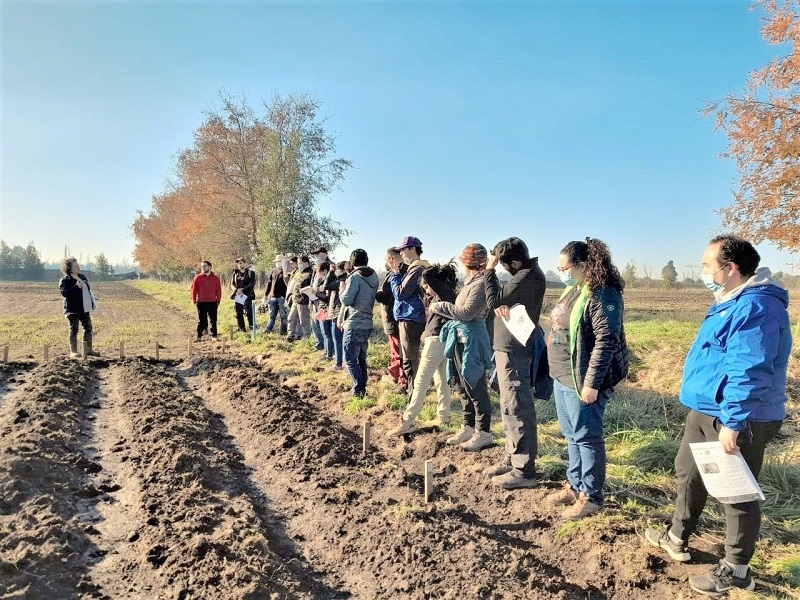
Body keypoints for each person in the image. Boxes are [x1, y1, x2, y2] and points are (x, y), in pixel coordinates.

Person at [645, 235, 791, 597]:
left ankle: (736, 569)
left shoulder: (757, 306)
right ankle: (677, 535)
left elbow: (750, 367)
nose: (704, 271)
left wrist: (734, 421)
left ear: (731, 269)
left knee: (735, 493)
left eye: (709, 265)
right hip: (706, 408)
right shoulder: (730, 301)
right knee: (688, 473)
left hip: (738, 416)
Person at [546, 238, 627, 519]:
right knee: (571, 435)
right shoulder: (574, 289)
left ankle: (591, 496)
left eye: (564, 266)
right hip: (562, 375)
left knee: (587, 436)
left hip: (582, 379)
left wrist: (591, 383)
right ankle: (574, 483)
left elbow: (606, 341)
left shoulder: (603, 294)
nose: (561, 271)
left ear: (582, 265)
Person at [483, 237, 547, 489]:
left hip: (516, 350)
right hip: (506, 348)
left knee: (517, 406)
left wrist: (489, 270)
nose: (501, 268)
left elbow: (493, 301)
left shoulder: (528, 275)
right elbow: (498, 301)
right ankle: (512, 458)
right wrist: (501, 300)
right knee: (508, 405)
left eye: (502, 264)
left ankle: (524, 469)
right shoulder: (523, 275)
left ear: (515, 262)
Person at [430, 243, 494, 452]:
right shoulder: (471, 282)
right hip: (460, 338)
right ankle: (468, 426)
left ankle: (483, 432)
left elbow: (466, 312)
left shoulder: (481, 284)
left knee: (475, 385)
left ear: (468, 263)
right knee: (461, 385)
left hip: (472, 341)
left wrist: (439, 306)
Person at [389, 263, 459, 436]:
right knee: (441, 379)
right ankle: (444, 416)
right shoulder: (444, 295)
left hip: (436, 340)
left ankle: (409, 419)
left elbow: (428, 274)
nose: (426, 290)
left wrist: (420, 265)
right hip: (441, 340)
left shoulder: (444, 293)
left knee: (420, 380)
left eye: (427, 286)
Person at [390, 236, 430, 396]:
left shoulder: (416, 270)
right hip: (411, 316)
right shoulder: (415, 268)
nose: (402, 253)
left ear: (412, 249)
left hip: (411, 317)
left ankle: (413, 392)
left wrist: (395, 275)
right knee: (408, 356)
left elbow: (400, 294)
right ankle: (411, 389)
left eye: (403, 250)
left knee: (410, 358)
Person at [338, 249, 379, 398]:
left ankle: (357, 389)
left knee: (349, 358)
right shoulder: (374, 277)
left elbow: (347, 300)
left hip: (354, 322)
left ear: (352, 261)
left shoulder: (354, 277)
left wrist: (341, 290)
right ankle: (362, 387)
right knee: (361, 358)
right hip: (367, 322)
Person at [375, 247, 409, 392]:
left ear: (391, 259)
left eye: (385, 259)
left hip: (394, 318)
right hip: (394, 318)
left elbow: (390, 297)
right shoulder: (400, 272)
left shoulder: (398, 273)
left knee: (399, 351)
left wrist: (374, 293)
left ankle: (402, 380)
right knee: (396, 350)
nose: (385, 262)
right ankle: (394, 374)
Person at [59, 257, 98, 358]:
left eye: (78, 265)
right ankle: (73, 351)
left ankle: (88, 350)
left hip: (85, 308)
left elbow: (88, 291)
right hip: (72, 309)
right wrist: (76, 287)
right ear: (69, 268)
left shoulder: (82, 276)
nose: (78, 267)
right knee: (74, 329)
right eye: (75, 266)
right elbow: (64, 293)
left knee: (88, 328)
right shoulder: (65, 280)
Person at [323, 261, 348, 371]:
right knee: (340, 339)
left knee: (337, 339)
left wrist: (331, 272)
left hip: (337, 313)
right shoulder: (343, 279)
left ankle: (339, 363)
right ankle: (343, 362)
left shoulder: (340, 281)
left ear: (342, 270)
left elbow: (326, 286)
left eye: (337, 269)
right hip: (338, 312)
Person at [190, 260, 222, 342]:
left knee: (213, 320)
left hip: (212, 302)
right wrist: (194, 299)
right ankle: (199, 336)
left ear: (210, 267)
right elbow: (194, 290)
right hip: (201, 302)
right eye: (202, 266)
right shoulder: (198, 277)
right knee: (201, 320)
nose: (203, 268)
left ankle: (214, 336)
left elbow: (218, 290)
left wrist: (218, 299)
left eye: (205, 266)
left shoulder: (215, 278)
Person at [310, 247, 333, 351]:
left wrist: (317, 292)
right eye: (315, 256)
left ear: (325, 254)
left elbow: (328, 287)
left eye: (318, 255)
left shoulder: (331, 266)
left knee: (325, 327)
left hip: (324, 300)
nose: (316, 257)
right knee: (316, 323)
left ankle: (328, 349)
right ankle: (320, 344)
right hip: (315, 298)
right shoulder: (316, 267)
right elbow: (313, 281)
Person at [287, 255, 313, 341]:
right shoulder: (300, 273)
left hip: (303, 301)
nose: (299, 265)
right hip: (295, 300)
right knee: (291, 318)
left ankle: (306, 337)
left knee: (304, 321)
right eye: (298, 263)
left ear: (306, 263)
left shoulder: (310, 273)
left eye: (300, 263)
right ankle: (291, 335)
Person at [312, 261, 334, 359]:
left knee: (327, 333)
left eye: (318, 271)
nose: (317, 274)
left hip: (326, 310)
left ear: (325, 271)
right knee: (324, 333)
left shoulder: (328, 282)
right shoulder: (322, 281)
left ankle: (329, 354)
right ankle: (327, 352)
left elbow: (326, 297)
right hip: (321, 309)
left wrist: (316, 293)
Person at [262, 254, 288, 335]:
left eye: (279, 262)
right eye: (277, 262)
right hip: (272, 297)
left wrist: (285, 297)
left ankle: (283, 332)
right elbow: (269, 284)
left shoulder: (287, 272)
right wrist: (265, 295)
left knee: (283, 316)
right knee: (271, 315)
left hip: (282, 297)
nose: (278, 263)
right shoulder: (273, 271)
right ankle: (267, 330)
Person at [231, 257, 256, 332]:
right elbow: (232, 284)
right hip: (239, 295)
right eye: (238, 263)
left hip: (247, 295)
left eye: (241, 263)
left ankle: (252, 328)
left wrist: (243, 289)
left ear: (245, 263)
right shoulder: (235, 273)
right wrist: (236, 290)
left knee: (249, 313)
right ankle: (241, 328)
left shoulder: (251, 273)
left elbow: (252, 283)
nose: (239, 264)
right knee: (239, 313)